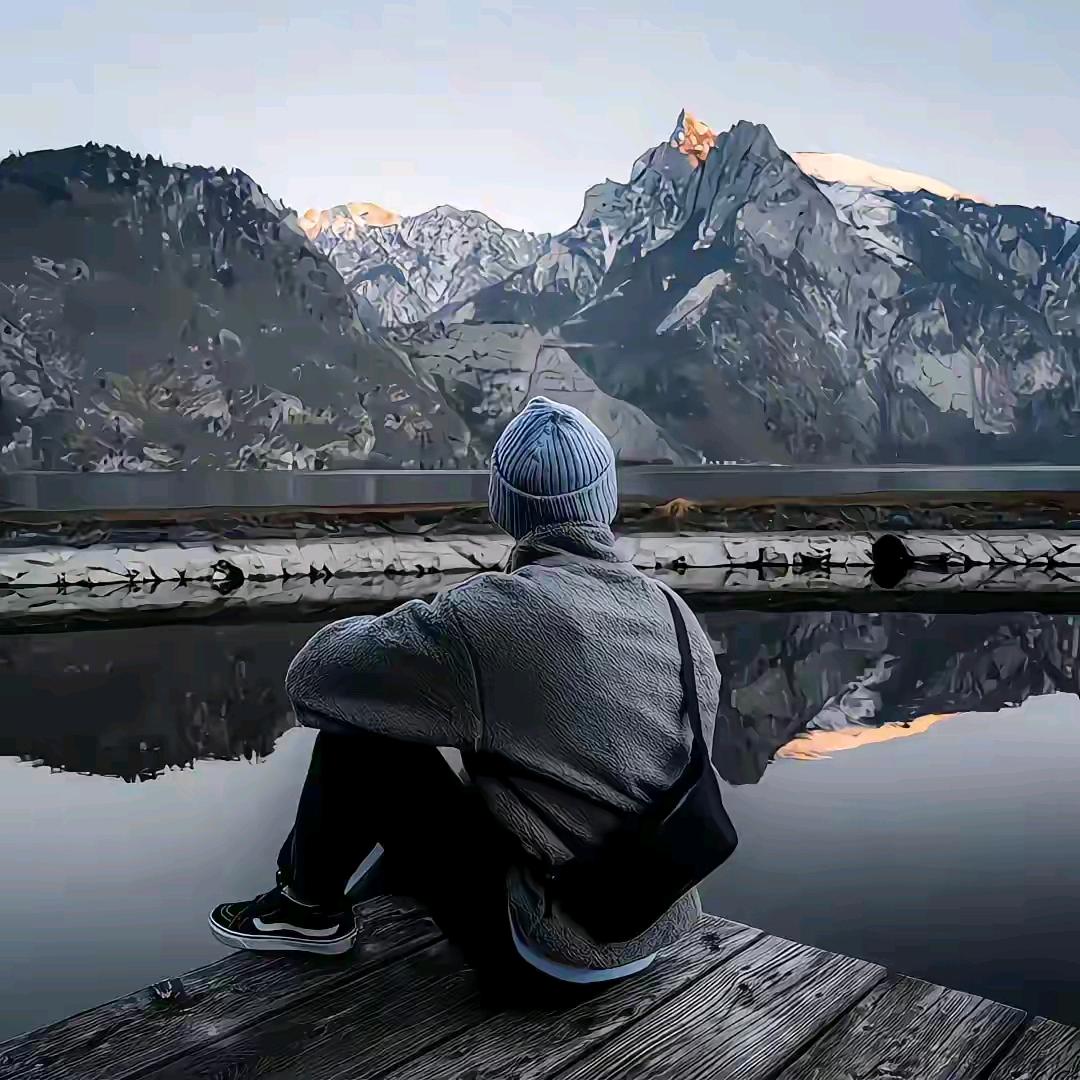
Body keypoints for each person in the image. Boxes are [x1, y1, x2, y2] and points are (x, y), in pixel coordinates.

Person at [208, 396, 726, 1005]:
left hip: (548, 959)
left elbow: (315, 677)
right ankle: (366, 898)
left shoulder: (491, 616)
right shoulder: (674, 611)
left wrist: (408, 639)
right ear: (604, 499)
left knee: (364, 744)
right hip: (655, 926)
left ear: (502, 506)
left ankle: (306, 906)